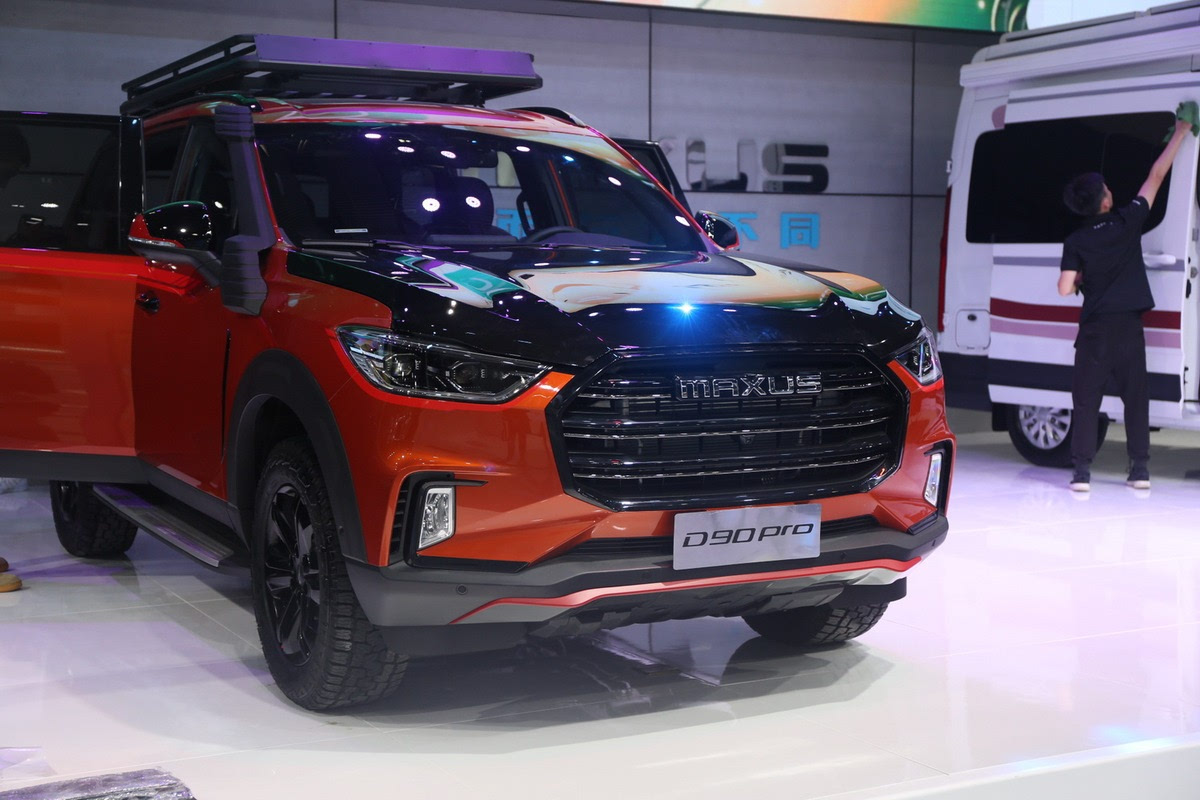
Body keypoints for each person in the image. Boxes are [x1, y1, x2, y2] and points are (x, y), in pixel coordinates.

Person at [1058, 108, 1197, 492]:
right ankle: (1140, 471)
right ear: (1105, 200)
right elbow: (1156, 176)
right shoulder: (1126, 221)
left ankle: (1082, 473)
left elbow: (1064, 288)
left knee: (1086, 400)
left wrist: (1082, 278)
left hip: (1095, 331)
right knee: (1136, 399)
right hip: (1129, 329)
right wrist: (1181, 132)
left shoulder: (1076, 240)